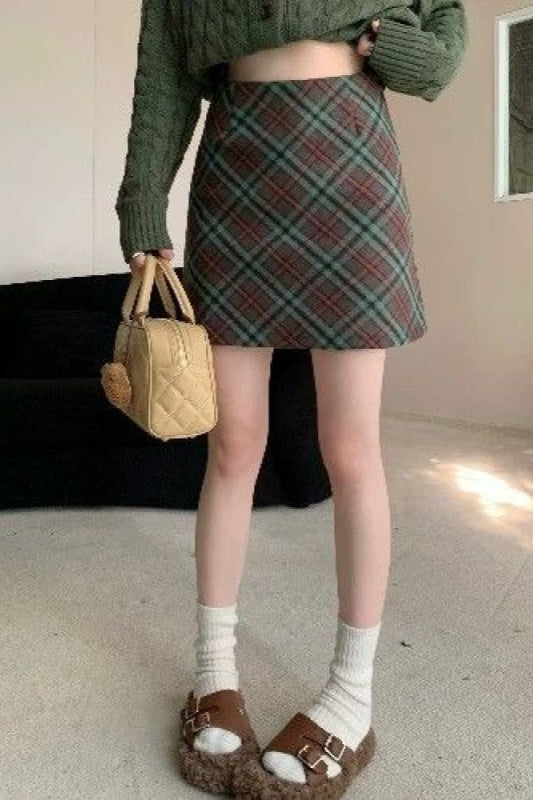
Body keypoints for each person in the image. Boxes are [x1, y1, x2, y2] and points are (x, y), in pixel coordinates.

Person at [115, 3, 468, 797]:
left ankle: (351, 694)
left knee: (350, 449)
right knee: (233, 444)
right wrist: (142, 202)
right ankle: (213, 673)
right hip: (236, 171)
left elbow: (445, 24)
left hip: (352, 160)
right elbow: (163, 69)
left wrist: (411, 50)